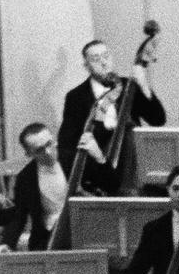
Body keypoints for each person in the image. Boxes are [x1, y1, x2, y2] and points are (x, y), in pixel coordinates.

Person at [58, 38, 166, 196]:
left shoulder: (128, 86)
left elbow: (158, 120)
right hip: (97, 173)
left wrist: (144, 86)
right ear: (86, 66)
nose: (103, 62)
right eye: (95, 59)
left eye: (106, 56)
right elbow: (66, 142)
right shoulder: (76, 97)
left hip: (131, 168)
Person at [0, 122, 68, 250]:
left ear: (54, 139)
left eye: (49, 144)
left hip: (79, 235)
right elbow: (18, 217)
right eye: (39, 150)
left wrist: (100, 158)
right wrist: (6, 243)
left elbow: (111, 185)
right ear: (29, 154)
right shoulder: (25, 178)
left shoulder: (75, 159)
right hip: (46, 241)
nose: (47, 152)